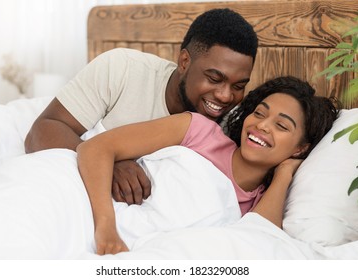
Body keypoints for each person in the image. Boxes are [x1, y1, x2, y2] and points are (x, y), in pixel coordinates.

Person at [76, 76, 339, 255]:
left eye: (281, 126)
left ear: (300, 148)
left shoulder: (260, 205)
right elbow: (95, 147)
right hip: (91, 212)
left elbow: (260, 243)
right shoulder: (198, 130)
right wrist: (107, 228)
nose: (262, 125)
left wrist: (284, 174)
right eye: (259, 113)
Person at [24, 8, 258, 205]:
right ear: (185, 62)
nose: (226, 96)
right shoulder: (122, 69)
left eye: (239, 85)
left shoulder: (238, 124)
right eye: (214, 79)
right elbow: (42, 130)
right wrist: (108, 162)